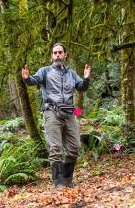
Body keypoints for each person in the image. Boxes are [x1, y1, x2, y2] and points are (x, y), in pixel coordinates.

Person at [22, 42, 91, 189]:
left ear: (65, 55)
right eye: (55, 53)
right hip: (51, 112)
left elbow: (81, 87)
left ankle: (67, 179)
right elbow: (34, 80)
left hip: (69, 113)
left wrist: (86, 78)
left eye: (60, 52)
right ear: (52, 56)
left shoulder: (71, 73)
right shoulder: (45, 71)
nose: (58, 55)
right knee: (55, 148)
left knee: (74, 147)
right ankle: (59, 182)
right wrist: (27, 78)